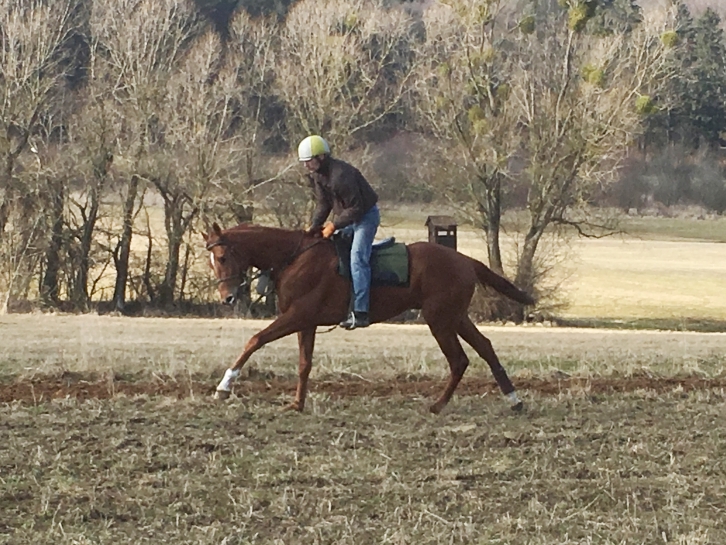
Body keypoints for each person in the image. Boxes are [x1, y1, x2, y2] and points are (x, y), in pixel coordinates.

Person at [298, 135, 380, 330]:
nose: (306, 166)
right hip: (348, 218)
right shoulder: (319, 175)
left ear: (321, 157)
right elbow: (323, 204)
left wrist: (333, 226)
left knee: (357, 258)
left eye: (308, 161)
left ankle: (360, 312)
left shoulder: (341, 175)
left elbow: (357, 208)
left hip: (365, 218)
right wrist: (314, 227)